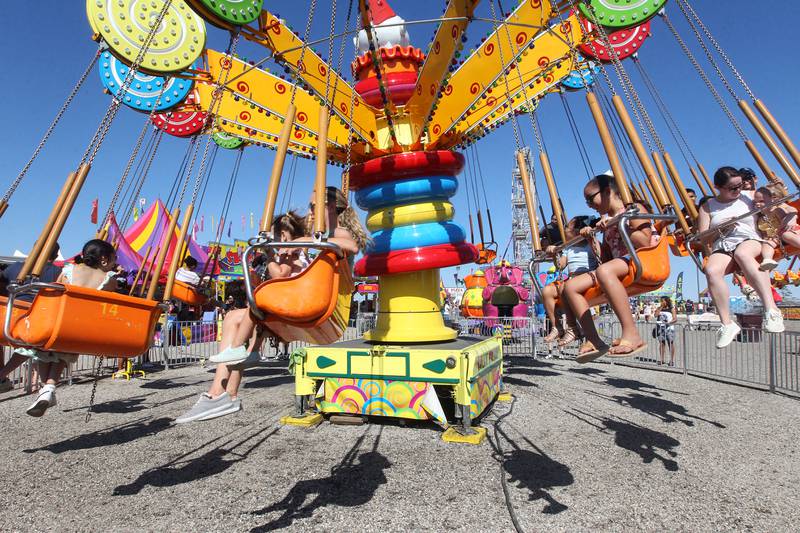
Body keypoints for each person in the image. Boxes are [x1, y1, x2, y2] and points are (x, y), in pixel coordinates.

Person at [562, 174, 660, 362]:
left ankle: (632, 334)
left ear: (608, 192)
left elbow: (643, 241)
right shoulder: (607, 220)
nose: (589, 205)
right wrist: (592, 239)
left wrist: (620, 223)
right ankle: (593, 340)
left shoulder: (633, 209)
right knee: (571, 287)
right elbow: (605, 258)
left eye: (591, 199)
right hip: (619, 265)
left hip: (642, 258)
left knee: (605, 271)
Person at [24, 240, 117, 416]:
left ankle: (46, 389)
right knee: (63, 354)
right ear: (104, 259)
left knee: (44, 354)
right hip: (79, 328)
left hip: (55, 321)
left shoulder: (67, 271)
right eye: (114, 259)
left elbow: (53, 294)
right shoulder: (108, 281)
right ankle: (49, 388)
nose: (115, 263)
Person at [696, 166, 784, 349]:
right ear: (718, 187)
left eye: (739, 185)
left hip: (748, 237)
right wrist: (722, 227)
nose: (738, 191)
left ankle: (771, 309)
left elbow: (774, 200)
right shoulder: (707, 207)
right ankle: (726, 324)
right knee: (711, 271)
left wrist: (777, 188)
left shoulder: (749, 195)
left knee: (743, 254)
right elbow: (703, 238)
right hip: (723, 243)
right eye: (732, 188)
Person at [0, 244, 62, 394]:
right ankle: (42, 384)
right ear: (54, 256)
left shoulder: (14, 268)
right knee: (33, 346)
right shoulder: (57, 272)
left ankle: (3, 377)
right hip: (35, 320)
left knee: (26, 345)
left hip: (8, 318)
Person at [541, 216, 599, 345]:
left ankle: (573, 328)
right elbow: (560, 266)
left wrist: (591, 237)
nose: (564, 230)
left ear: (577, 231)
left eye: (567, 227)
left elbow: (599, 255)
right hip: (572, 279)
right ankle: (557, 327)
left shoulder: (589, 245)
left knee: (565, 287)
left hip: (589, 277)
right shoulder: (569, 249)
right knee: (546, 291)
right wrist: (555, 254)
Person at [753, 185, 800, 271]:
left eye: (761, 201)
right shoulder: (761, 219)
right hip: (776, 238)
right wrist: (767, 238)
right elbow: (764, 233)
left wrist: (791, 218)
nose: (757, 204)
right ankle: (767, 259)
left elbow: (793, 210)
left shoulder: (779, 208)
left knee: (786, 235)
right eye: (755, 202)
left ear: (773, 199)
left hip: (790, 231)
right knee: (767, 243)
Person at [655, 296, 677, 366]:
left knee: (670, 344)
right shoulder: (659, 308)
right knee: (661, 344)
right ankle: (661, 360)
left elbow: (675, 319)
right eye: (661, 301)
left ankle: (671, 360)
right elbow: (655, 315)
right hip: (660, 328)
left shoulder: (671, 309)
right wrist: (661, 307)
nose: (661, 302)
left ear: (667, 301)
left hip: (669, 329)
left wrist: (668, 323)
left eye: (663, 301)